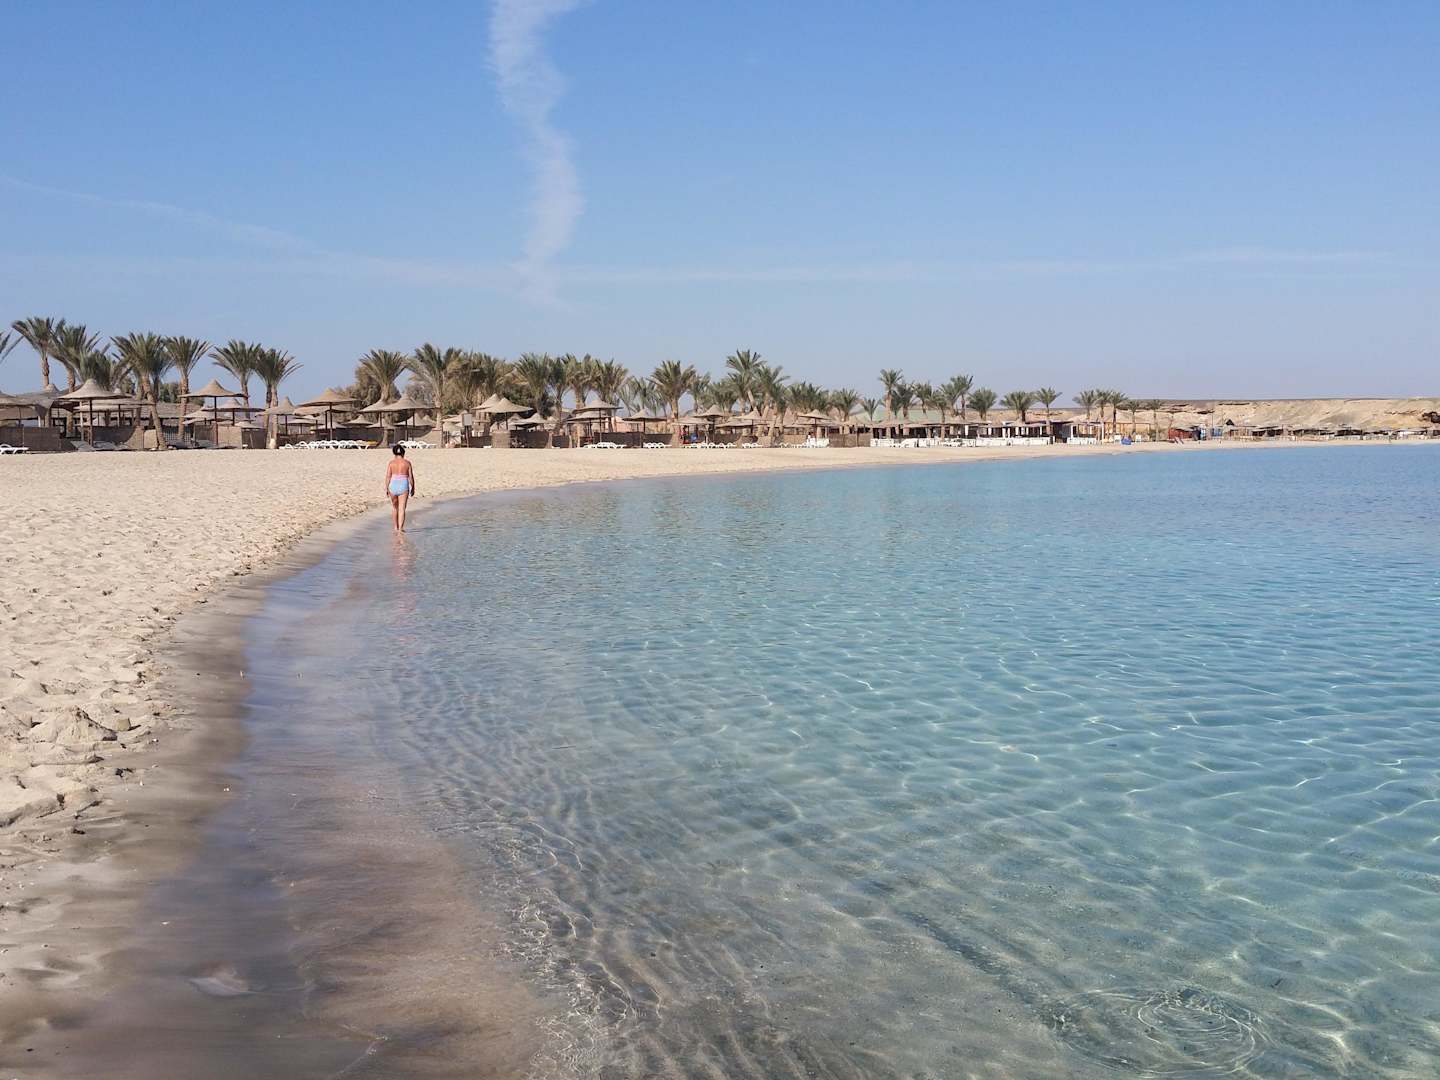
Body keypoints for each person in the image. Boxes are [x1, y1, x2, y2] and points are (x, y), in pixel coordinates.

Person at [385, 445, 416, 532]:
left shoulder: (391, 463)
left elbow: (388, 476)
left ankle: (395, 527)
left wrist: (387, 488)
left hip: (393, 485)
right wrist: (413, 487)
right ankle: (401, 529)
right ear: (403, 453)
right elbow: (410, 477)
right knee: (402, 508)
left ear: (394, 453)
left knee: (395, 508)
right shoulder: (407, 463)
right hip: (403, 485)